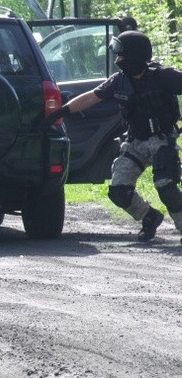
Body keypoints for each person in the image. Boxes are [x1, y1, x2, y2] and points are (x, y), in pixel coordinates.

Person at [46, 30, 182, 242]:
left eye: (122, 56)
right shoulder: (118, 81)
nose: (117, 60)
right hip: (134, 141)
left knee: (166, 187)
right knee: (118, 191)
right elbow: (92, 97)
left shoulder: (164, 77)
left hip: (162, 140)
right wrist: (62, 111)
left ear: (135, 57)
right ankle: (149, 217)